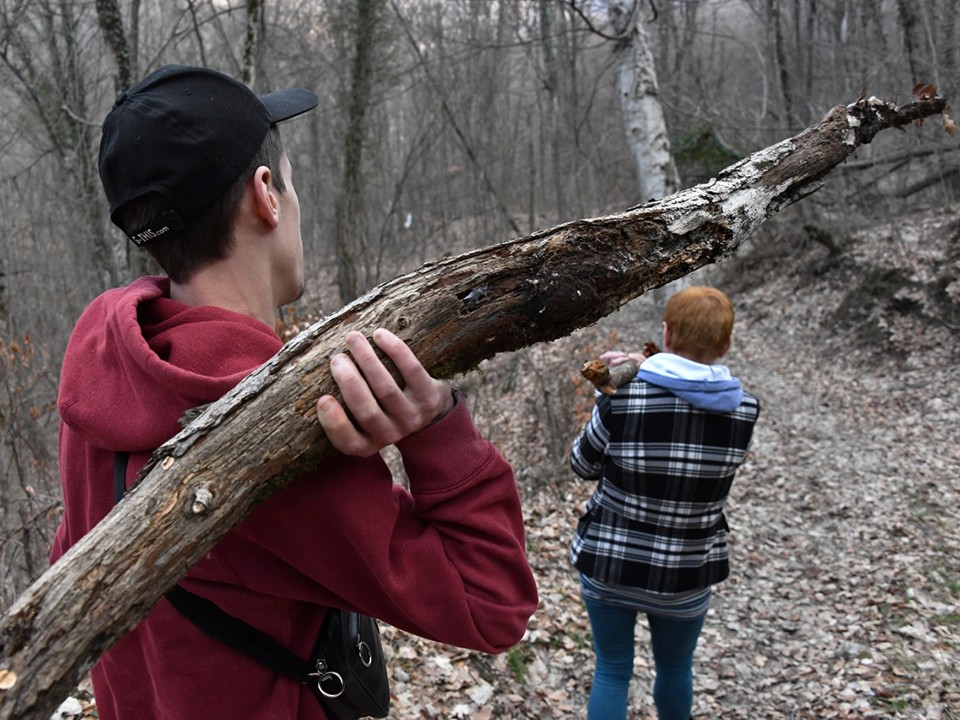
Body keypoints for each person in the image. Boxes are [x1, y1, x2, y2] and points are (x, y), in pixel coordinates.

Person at [50, 65, 538, 720]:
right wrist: (438, 430)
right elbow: (492, 604)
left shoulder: (104, 374)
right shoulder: (270, 429)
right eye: (290, 179)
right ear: (266, 196)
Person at [569, 286, 760, 720]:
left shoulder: (623, 398)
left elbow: (582, 464)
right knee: (675, 668)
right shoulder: (745, 411)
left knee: (612, 669)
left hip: (611, 562)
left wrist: (609, 398)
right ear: (726, 345)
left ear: (666, 334)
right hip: (687, 572)